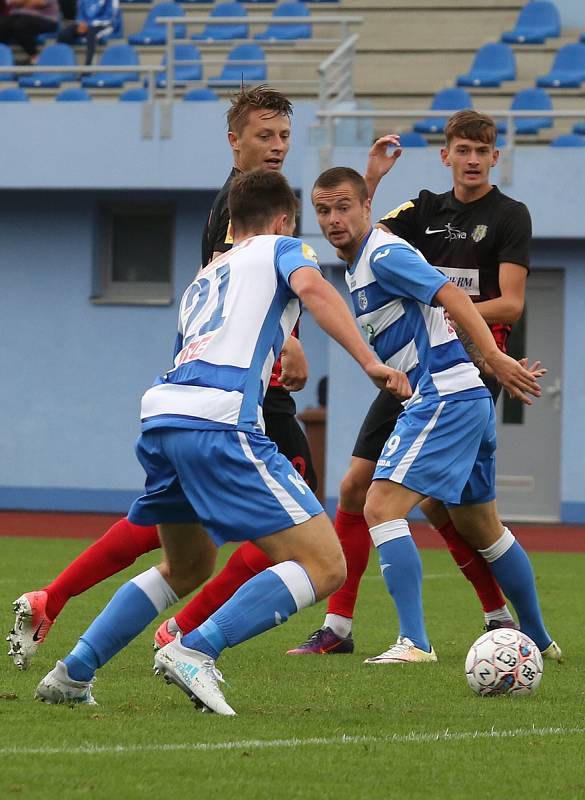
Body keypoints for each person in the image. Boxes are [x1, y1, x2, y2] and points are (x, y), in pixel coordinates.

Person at [34, 169, 409, 713]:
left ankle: (74, 671)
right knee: (327, 565)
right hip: (220, 422)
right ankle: (197, 648)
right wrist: (371, 360)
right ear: (284, 220)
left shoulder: (206, 275)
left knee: (187, 566)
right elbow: (313, 287)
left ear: (233, 224)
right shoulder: (284, 247)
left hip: (164, 417)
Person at [6, 85, 315, 671]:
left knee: (176, 532)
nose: (276, 148)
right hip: (239, 391)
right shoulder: (242, 210)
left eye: (283, 138)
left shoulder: (240, 200)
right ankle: (192, 637)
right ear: (234, 141)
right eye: (263, 136)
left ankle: (61, 608)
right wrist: (292, 340)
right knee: (298, 520)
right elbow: (242, 285)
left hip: (194, 389)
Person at [289, 110, 536, 655]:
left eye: (481, 151)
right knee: (365, 489)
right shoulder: (418, 211)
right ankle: (341, 626)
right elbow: (358, 223)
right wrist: (370, 178)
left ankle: (452, 630)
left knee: (412, 505)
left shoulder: (509, 216)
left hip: (460, 367)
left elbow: (508, 303)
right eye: (461, 150)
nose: (471, 160)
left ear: (495, 157)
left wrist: (470, 333)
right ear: (445, 156)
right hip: (415, 375)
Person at [57, 0, 120, 66]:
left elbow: (111, 16)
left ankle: (88, 69)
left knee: (92, 35)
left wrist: (89, 24)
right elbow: (80, 12)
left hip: (105, 25)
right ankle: (61, 68)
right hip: (85, 24)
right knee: (63, 35)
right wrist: (80, 22)